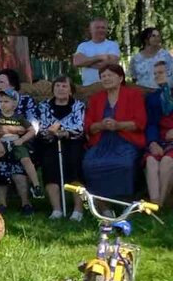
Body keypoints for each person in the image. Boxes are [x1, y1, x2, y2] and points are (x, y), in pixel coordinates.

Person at [81, 64, 147, 203]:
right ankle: (101, 203)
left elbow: (140, 122)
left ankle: (125, 200)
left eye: (110, 75)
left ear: (120, 78)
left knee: (125, 163)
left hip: (126, 140)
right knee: (90, 163)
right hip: (101, 141)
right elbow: (88, 126)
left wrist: (118, 125)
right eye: (103, 76)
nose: (106, 78)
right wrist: (101, 125)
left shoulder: (133, 95)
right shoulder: (96, 98)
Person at [37, 75, 87, 220]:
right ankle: (57, 210)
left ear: (71, 90)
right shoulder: (44, 106)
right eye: (57, 86)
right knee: (49, 166)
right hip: (50, 141)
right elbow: (41, 126)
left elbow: (80, 127)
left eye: (64, 86)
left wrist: (63, 131)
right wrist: (51, 132)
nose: (60, 89)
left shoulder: (78, 106)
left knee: (75, 166)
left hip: (73, 141)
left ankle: (78, 210)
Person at [0, 89, 38, 213]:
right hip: (0, 145)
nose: (2, 104)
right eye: (0, 101)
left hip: (16, 144)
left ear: (14, 104)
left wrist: (21, 139)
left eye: (6, 101)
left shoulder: (19, 117)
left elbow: (32, 130)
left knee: (24, 162)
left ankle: (35, 188)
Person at [144, 61, 173, 207]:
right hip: (160, 139)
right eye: (155, 74)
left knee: (167, 161)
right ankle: (154, 203)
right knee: (151, 160)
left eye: (160, 72)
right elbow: (150, 124)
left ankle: (159, 204)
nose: (157, 76)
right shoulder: (153, 98)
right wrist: (153, 142)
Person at [74, 18, 121, 87]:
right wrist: (99, 57)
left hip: (108, 87)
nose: (100, 30)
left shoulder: (113, 45)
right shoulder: (83, 46)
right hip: (88, 87)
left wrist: (86, 63)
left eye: (103, 28)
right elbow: (77, 62)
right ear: (90, 30)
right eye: (97, 28)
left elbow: (112, 62)